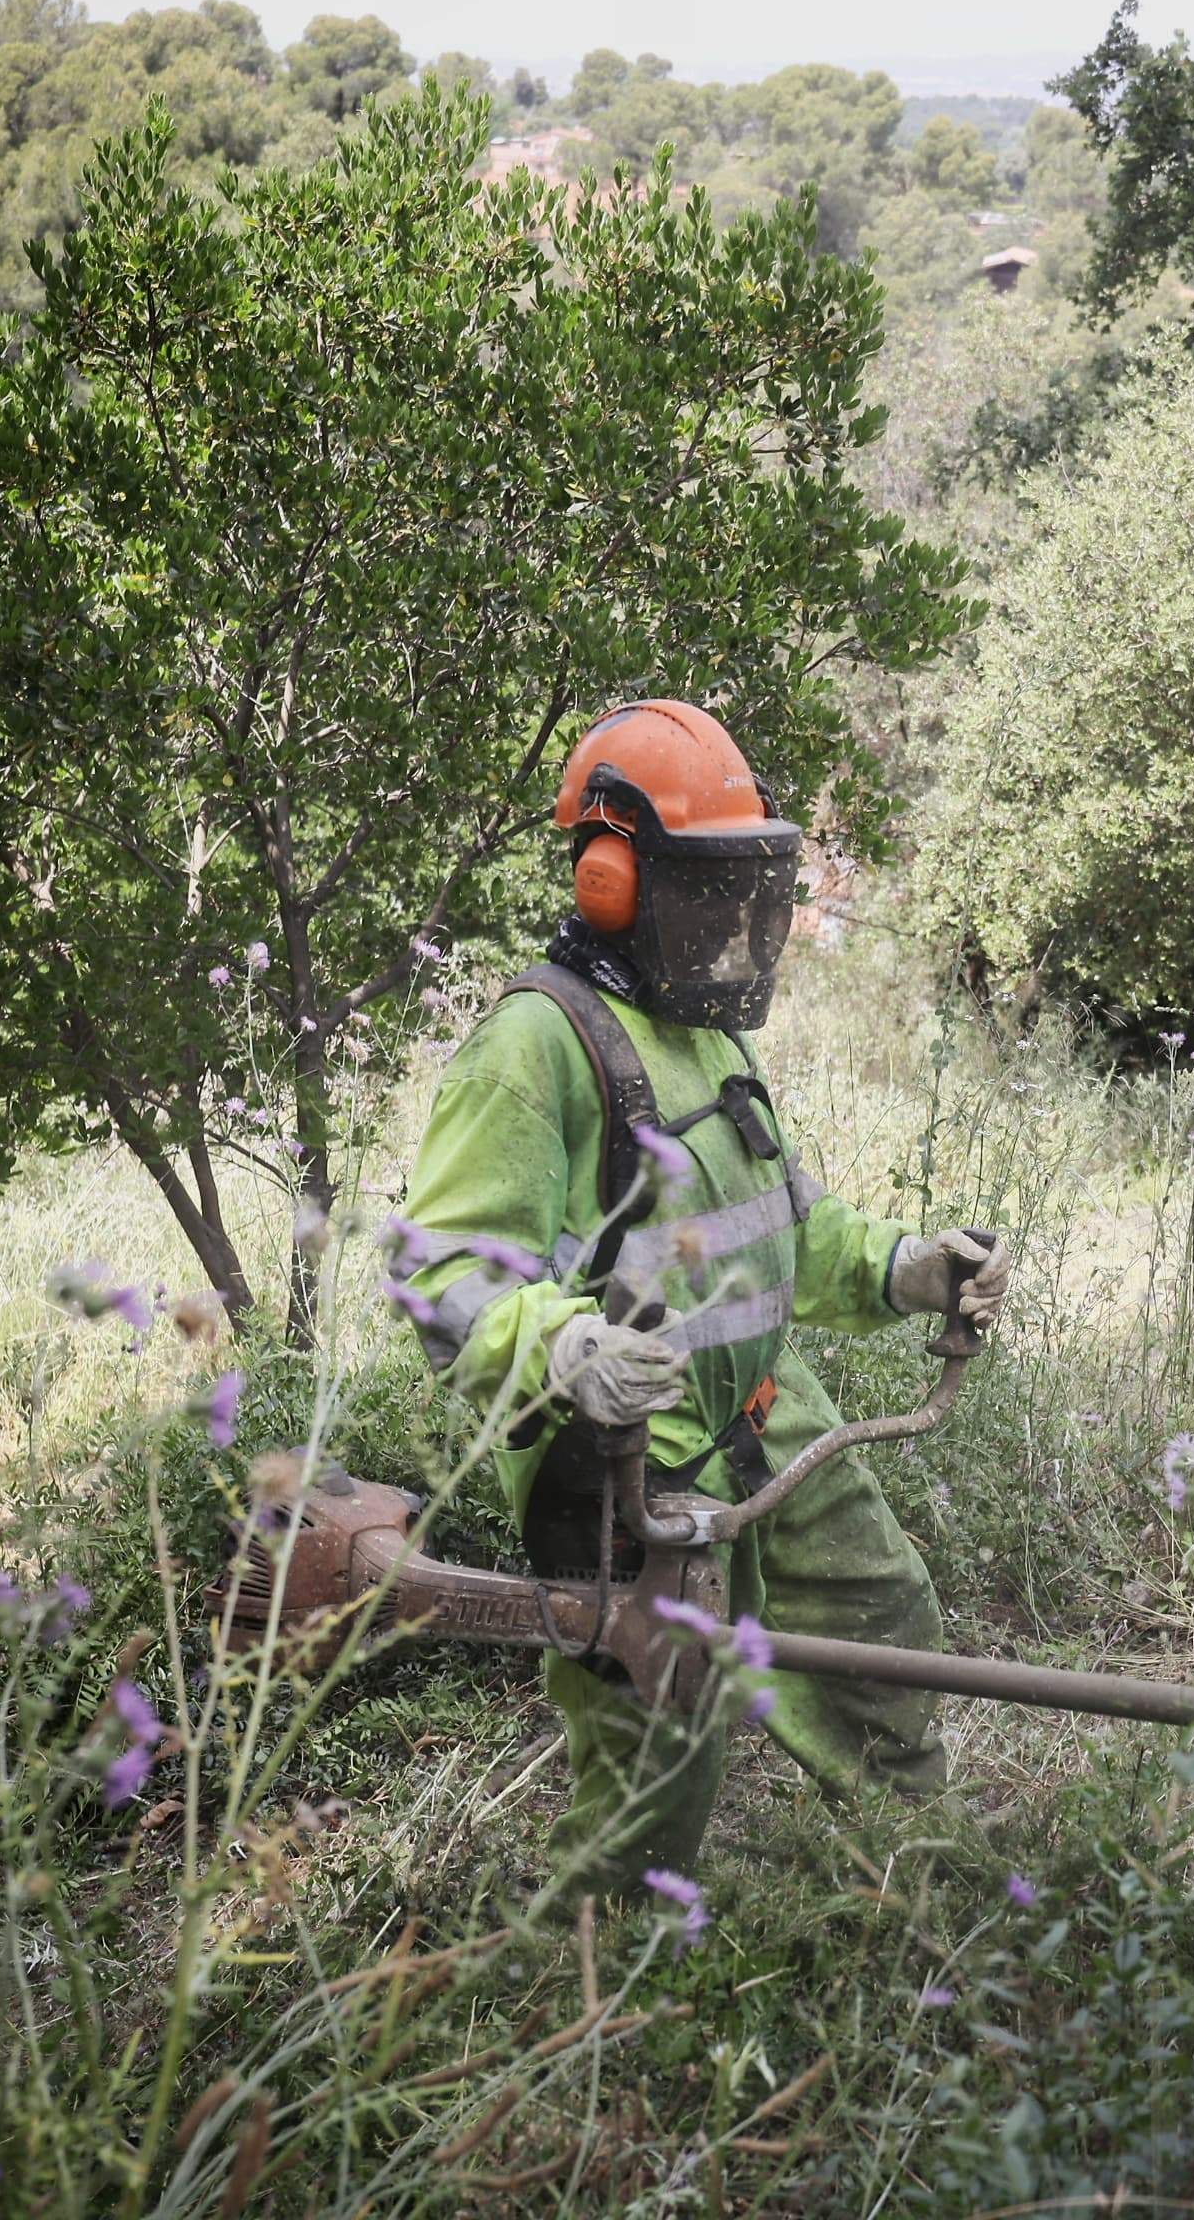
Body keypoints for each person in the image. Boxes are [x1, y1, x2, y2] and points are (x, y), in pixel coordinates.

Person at [387, 698, 1013, 1893]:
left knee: (885, 1626)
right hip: (632, 1454)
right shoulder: (537, 1044)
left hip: (771, 1418)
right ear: (615, 877)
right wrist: (569, 1349)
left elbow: (782, 1220)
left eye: (748, 889)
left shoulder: (703, 1030)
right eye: (710, 890)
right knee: (660, 1758)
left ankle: (925, 1890)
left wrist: (904, 1266)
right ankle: (596, 1988)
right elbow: (440, 1275)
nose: (737, 924)